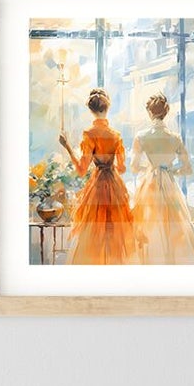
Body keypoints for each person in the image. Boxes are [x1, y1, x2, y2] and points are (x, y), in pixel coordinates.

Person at [58, 89, 136, 264]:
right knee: (114, 233)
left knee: (94, 233)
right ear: (107, 108)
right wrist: (110, 162)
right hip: (114, 185)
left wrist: (67, 147)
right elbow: (122, 168)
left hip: (97, 186)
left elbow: (81, 170)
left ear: (91, 110)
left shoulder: (89, 134)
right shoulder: (116, 135)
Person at [130, 94, 194, 264]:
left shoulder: (141, 136)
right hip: (169, 185)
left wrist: (150, 168)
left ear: (150, 112)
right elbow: (187, 168)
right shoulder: (175, 137)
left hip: (150, 184)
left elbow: (134, 167)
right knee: (173, 226)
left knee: (149, 226)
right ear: (166, 112)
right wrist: (171, 171)